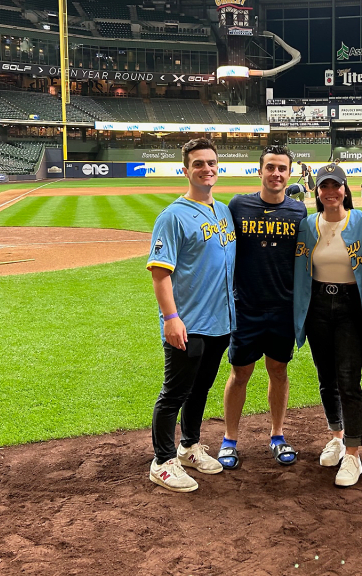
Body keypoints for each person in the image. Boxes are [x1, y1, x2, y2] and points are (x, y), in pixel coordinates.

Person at [146, 138, 237, 493]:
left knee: (200, 390)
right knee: (174, 394)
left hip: (220, 321)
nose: (207, 168)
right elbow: (160, 273)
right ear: (186, 170)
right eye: (198, 163)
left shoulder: (224, 211)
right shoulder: (172, 216)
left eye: (211, 163)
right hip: (188, 322)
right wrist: (171, 318)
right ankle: (163, 461)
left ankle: (189, 447)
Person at [218, 145, 308, 470]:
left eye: (282, 168)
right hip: (246, 308)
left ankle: (278, 435)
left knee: (279, 371)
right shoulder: (238, 205)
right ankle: (229, 440)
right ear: (260, 171)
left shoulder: (299, 212)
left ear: (289, 172)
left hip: (282, 308)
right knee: (239, 372)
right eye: (270, 167)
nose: (276, 174)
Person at [293, 164, 362, 487]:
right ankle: (337, 437)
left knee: (349, 381)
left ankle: (353, 454)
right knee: (326, 378)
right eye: (323, 187)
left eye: (335, 186)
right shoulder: (307, 226)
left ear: (345, 189)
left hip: (351, 307)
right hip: (318, 307)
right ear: (317, 192)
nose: (330, 192)